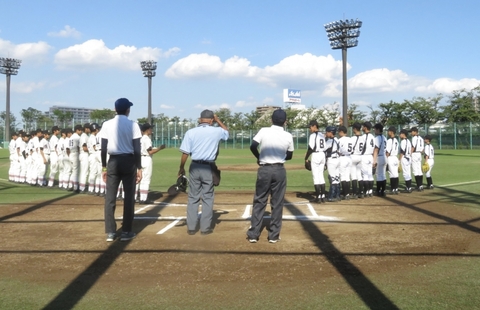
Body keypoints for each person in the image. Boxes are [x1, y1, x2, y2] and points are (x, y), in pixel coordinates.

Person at [178, 110, 229, 235]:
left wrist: (181, 167)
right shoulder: (217, 131)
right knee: (207, 197)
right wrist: (218, 120)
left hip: (194, 166)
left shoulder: (191, 132)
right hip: (208, 167)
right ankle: (205, 228)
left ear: (200, 119)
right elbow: (226, 132)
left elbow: (185, 153)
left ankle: (191, 228)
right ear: (211, 120)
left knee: (193, 197)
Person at [247, 109, 294, 243]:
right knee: (277, 202)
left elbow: (253, 146)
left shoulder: (263, 130)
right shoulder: (288, 135)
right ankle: (273, 235)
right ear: (285, 122)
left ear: (271, 120)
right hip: (279, 170)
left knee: (260, 200)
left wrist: (259, 157)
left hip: (264, 169)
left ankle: (254, 234)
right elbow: (290, 155)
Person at [100, 98, 142, 242]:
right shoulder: (133, 125)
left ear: (115, 109)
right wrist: (139, 167)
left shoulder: (106, 124)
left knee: (110, 197)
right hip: (129, 161)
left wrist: (104, 166)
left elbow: (103, 148)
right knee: (129, 197)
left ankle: (110, 232)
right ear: (127, 110)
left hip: (113, 161)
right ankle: (126, 231)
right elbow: (137, 148)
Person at [137, 123, 165, 204]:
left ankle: (142, 197)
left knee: (141, 179)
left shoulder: (141, 138)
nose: (151, 130)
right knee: (146, 179)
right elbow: (150, 151)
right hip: (146, 159)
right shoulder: (147, 139)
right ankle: (144, 198)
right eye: (150, 129)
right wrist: (160, 148)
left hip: (140, 158)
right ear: (147, 130)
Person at [304, 120, 327, 203]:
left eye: (310, 127)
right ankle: (323, 196)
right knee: (321, 175)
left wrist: (306, 158)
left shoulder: (313, 135)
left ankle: (318, 197)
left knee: (316, 176)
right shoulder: (322, 135)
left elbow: (310, 148)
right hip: (323, 155)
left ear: (314, 126)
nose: (310, 128)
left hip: (316, 155)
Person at [325, 126, 341, 202]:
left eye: (327, 132)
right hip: (338, 159)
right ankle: (337, 195)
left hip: (331, 160)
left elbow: (324, 149)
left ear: (331, 132)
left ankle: (331, 196)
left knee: (332, 178)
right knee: (337, 177)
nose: (326, 133)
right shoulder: (337, 140)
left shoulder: (329, 141)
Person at [360, 122, 375, 197]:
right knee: (370, 175)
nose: (362, 128)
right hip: (371, 156)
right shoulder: (373, 136)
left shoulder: (363, 136)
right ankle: (370, 191)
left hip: (365, 156)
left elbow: (362, 148)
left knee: (365, 175)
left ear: (365, 127)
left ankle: (366, 191)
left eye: (363, 126)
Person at [337, 126, 352, 200]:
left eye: (339, 131)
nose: (338, 133)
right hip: (349, 157)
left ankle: (344, 193)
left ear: (342, 131)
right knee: (347, 176)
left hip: (343, 158)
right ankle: (348, 193)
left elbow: (338, 151)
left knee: (342, 176)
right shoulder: (350, 139)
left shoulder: (340, 140)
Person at [373, 123, 387, 196]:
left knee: (378, 174)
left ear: (378, 129)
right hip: (384, 156)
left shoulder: (377, 138)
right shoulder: (384, 137)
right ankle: (383, 191)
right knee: (383, 174)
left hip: (379, 157)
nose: (374, 130)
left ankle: (378, 190)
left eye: (375, 129)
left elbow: (376, 149)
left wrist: (374, 160)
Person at [350, 122, 363, 199]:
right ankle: (361, 192)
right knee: (359, 175)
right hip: (360, 156)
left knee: (353, 175)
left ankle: (354, 193)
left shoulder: (352, 138)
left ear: (355, 129)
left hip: (353, 156)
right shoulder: (363, 138)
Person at [67, 125, 82, 192]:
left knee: (73, 170)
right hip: (75, 153)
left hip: (70, 154)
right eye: (80, 130)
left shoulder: (70, 137)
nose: (81, 131)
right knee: (75, 171)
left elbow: (67, 148)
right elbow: (78, 147)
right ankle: (75, 187)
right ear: (77, 130)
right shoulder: (77, 137)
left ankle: (70, 185)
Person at [385, 126, 400, 194]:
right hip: (395, 157)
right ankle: (396, 188)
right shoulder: (396, 140)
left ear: (392, 132)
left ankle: (393, 189)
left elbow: (387, 152)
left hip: (390, 157)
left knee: (391, 174)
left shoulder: (389, 140)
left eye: (389, 131)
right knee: (395, 174)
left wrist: (385, 159)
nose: (388, 132)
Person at [410, 127, 425, 191]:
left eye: (412, 131)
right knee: (419, 170)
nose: (411, 133)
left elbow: (413, 146)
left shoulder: (414, 138)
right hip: (419, 154)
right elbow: (423, 149)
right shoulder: (421, 138)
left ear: (415, 132)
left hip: (415, 154)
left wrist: (410, 154)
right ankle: (421, 185)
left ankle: (418, 185)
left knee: (415, 170)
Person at [78, 123, 91, 193]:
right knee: (84, 172)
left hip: (83, 154)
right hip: (84, 154)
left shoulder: (85, 135)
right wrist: (91, 150)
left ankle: (81, 187)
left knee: (83, 172)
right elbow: (84, 148)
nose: (90, 129)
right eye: (89, 128)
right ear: (85, 128)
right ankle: (82, 188)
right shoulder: (84, 136)